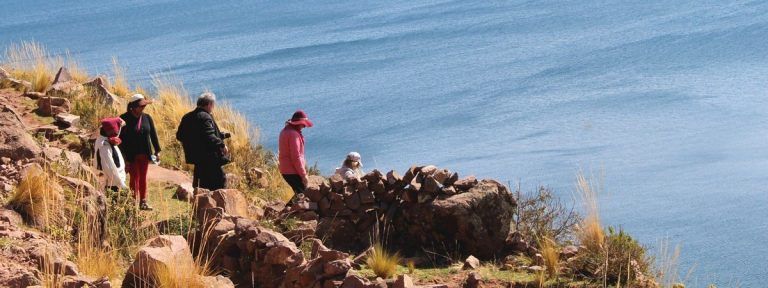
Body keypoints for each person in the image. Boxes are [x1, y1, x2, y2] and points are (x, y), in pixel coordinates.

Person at [176, 92, 231, 190]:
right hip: (210, 158)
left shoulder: (187, 117)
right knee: (219, 184)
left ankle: (200, 203)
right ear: (209, 104)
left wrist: (221, 135)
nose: (213, 107)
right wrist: (222, 145)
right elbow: (209, 136)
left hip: (197, 158)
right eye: (213, 105)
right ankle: (217, 204)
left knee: (200, 185)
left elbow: (180, 136)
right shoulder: (205, 117)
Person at [119, 94, 161, 210]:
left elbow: (153, 135)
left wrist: (157, 150)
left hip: (145, 153)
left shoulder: (147, 117)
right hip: (130, 155)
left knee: (143, 177)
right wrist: (123, 157)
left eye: (144, 106)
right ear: (133, 107)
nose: (143, 108)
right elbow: (120, 139)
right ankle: (133, 201)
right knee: (134, 178)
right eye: (141, 106)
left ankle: (143, 201)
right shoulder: (123, 119)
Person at [278, 110, 313, 197]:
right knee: (302, 193)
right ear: (297, 123)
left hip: (285, 169)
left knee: (299, 193)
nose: (304, 126)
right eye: (303, 124)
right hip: (292, 170)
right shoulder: (294, 135)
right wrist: (303, 175)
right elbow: (296, 157)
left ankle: (285, 210)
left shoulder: (284, 131)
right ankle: (285, 210)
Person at [95, 117, 129, 192]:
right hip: (112, 185)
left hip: (115, 183)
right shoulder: (104, 146)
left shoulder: (107, 140)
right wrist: (122, 185)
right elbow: (110, 168)